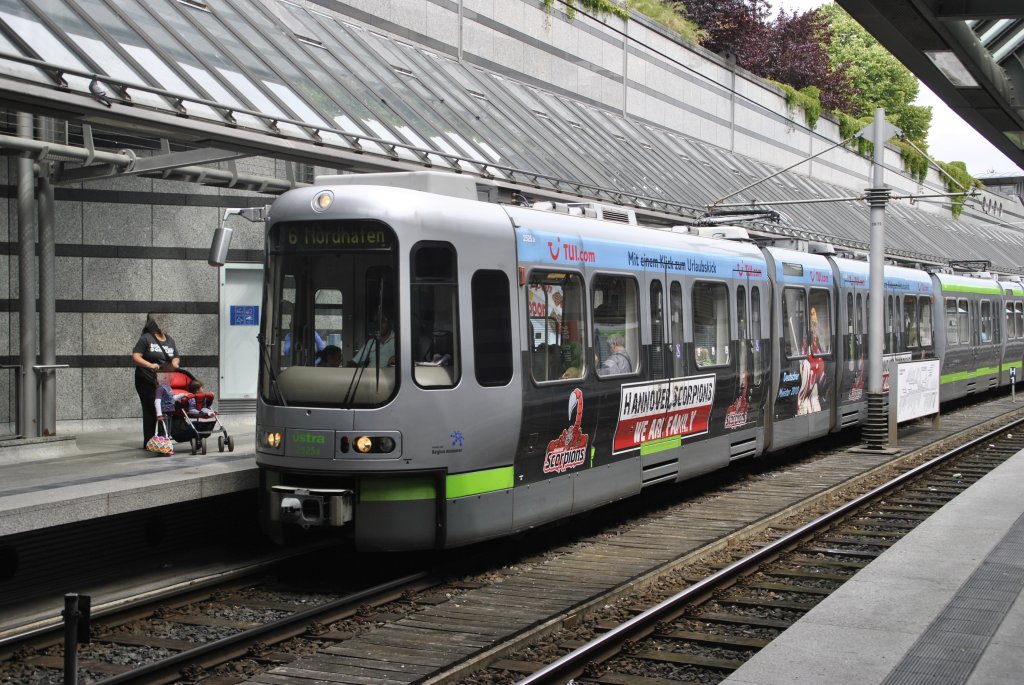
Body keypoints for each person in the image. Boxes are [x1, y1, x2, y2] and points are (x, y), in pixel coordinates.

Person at [131, 315, 180, 450]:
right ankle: (149, 441)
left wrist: (175, 363)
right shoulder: (146, 338)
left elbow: (175, 356)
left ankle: (162, 438)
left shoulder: (170, 340)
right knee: (152, 409)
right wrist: (150, 365)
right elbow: (136, 356)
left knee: (164, 407)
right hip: (146, 379)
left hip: (163, 379)